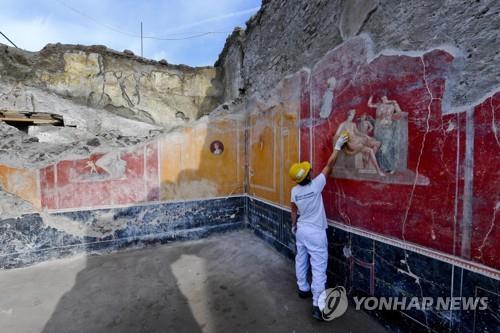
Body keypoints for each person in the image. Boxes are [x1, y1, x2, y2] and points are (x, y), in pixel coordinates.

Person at [288, 133, 348, 321]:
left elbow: (293, 210)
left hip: (301, 230)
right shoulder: (316, 185)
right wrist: (338, 145)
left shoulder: (295, 191)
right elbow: (329, 165)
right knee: (319, 268)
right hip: (315, 233)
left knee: (301, 259)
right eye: (309, 170)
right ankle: (318, 306)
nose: (312, 170)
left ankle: (303, 288)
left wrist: (293, 226)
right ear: (308, 175)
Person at [334, 109, 385, 176]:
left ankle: (369, 162)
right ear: (349, 115)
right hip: (352, 143)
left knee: (377, 144)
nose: (353, 116)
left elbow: (357, 133)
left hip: (358, 139)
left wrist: (366, 136)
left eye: (354, 115)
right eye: (352, 115)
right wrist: (344, 138)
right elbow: (336, 135)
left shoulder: (353, 124)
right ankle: (377, 170)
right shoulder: (343, 124)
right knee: (370, 149)